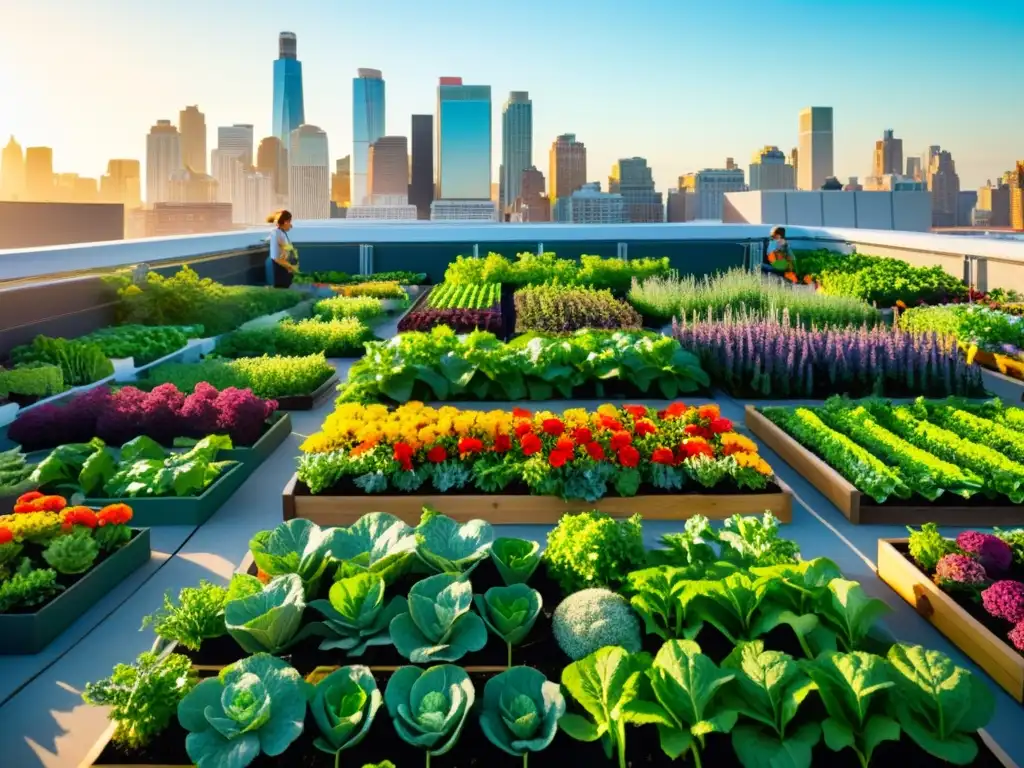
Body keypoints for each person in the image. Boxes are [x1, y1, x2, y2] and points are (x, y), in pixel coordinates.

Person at [266, 210, 299, 288]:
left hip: (287, 270)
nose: (291, 225)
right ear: (285, 222)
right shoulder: (276, 233)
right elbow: (276, 257)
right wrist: (289, 267)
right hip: (281, 272)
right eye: (290, 222)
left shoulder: (282, 233)